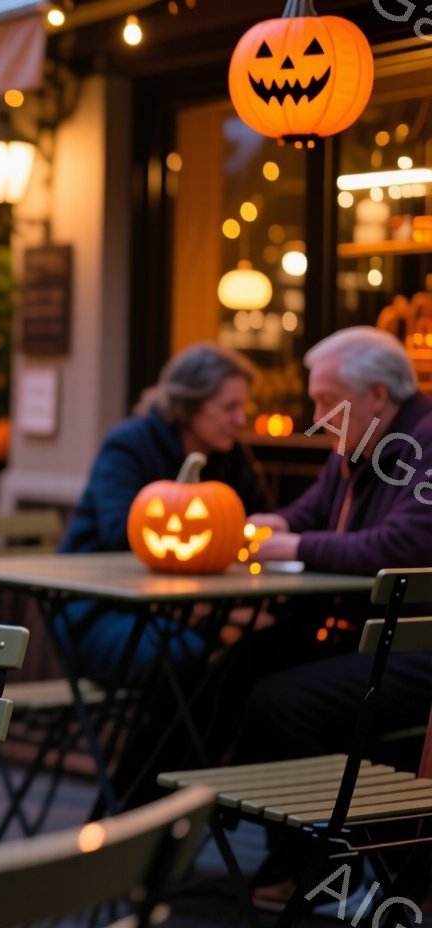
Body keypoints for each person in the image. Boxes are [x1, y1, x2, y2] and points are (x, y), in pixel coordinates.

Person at [211, 327, 432, 907]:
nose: (315, 417)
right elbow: (306, 515)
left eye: (323, 401)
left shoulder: (423, 446)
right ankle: (183, 823)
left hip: (412, 654)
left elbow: (400, 546)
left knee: (279, 700)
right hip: (360, 638)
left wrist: (295, 545)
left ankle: (308, 864)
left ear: (378, 395)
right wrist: (274, 525)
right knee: (235, 666)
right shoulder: (357, 444)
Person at [60, 343, 271, 682]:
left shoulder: (232, 457)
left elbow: (259, 524)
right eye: (229, 407)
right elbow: (124, 535)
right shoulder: (129, 445)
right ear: (189, 405)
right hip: (100, 608)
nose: (240, 419)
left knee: (261, 650)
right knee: (189, 657)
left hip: (192, 611)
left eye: (243, 407)